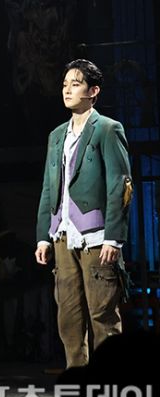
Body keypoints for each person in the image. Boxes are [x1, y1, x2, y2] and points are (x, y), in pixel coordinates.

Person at [34, 59, 132, 369]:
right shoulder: (57, 135)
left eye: (75, 84)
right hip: (63, 235)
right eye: (65, 84)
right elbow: (49, 187)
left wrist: (113, 238)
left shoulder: (107, 129)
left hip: (96, 238)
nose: (67, 90)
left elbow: (120, 185)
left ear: (93, 91)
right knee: (69, 319)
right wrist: (43, 236)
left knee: (102, 316)